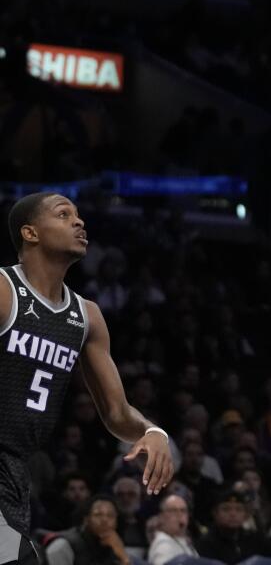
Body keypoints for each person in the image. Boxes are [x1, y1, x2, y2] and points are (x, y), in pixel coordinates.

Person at [2, 193, 173, 562]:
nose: (79, 222)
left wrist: (151, 432)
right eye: (64, 215)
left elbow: (116, 414)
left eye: (79, 215)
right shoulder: (3, 290)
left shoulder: (87, 316)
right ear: (30, 233)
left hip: (16, 470)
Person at [194, 490, 271, 565]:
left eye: (239, 509)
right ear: (215, 513)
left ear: (245, 515)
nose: (233, 514)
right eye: (226, 509)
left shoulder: (257, 539)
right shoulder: (206, 543)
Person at [44, 497, 130, 565]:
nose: (104, 520)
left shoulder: (115, 546)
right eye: (98, 514)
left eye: (110, 515)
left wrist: (123, 558)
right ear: (86, 519)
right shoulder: (62, 546)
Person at [146, 494, 198, 565]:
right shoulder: (163, 544)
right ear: (161, 516)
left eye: (183, 510)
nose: (179, 514)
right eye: (174, 510)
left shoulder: (185, 541)